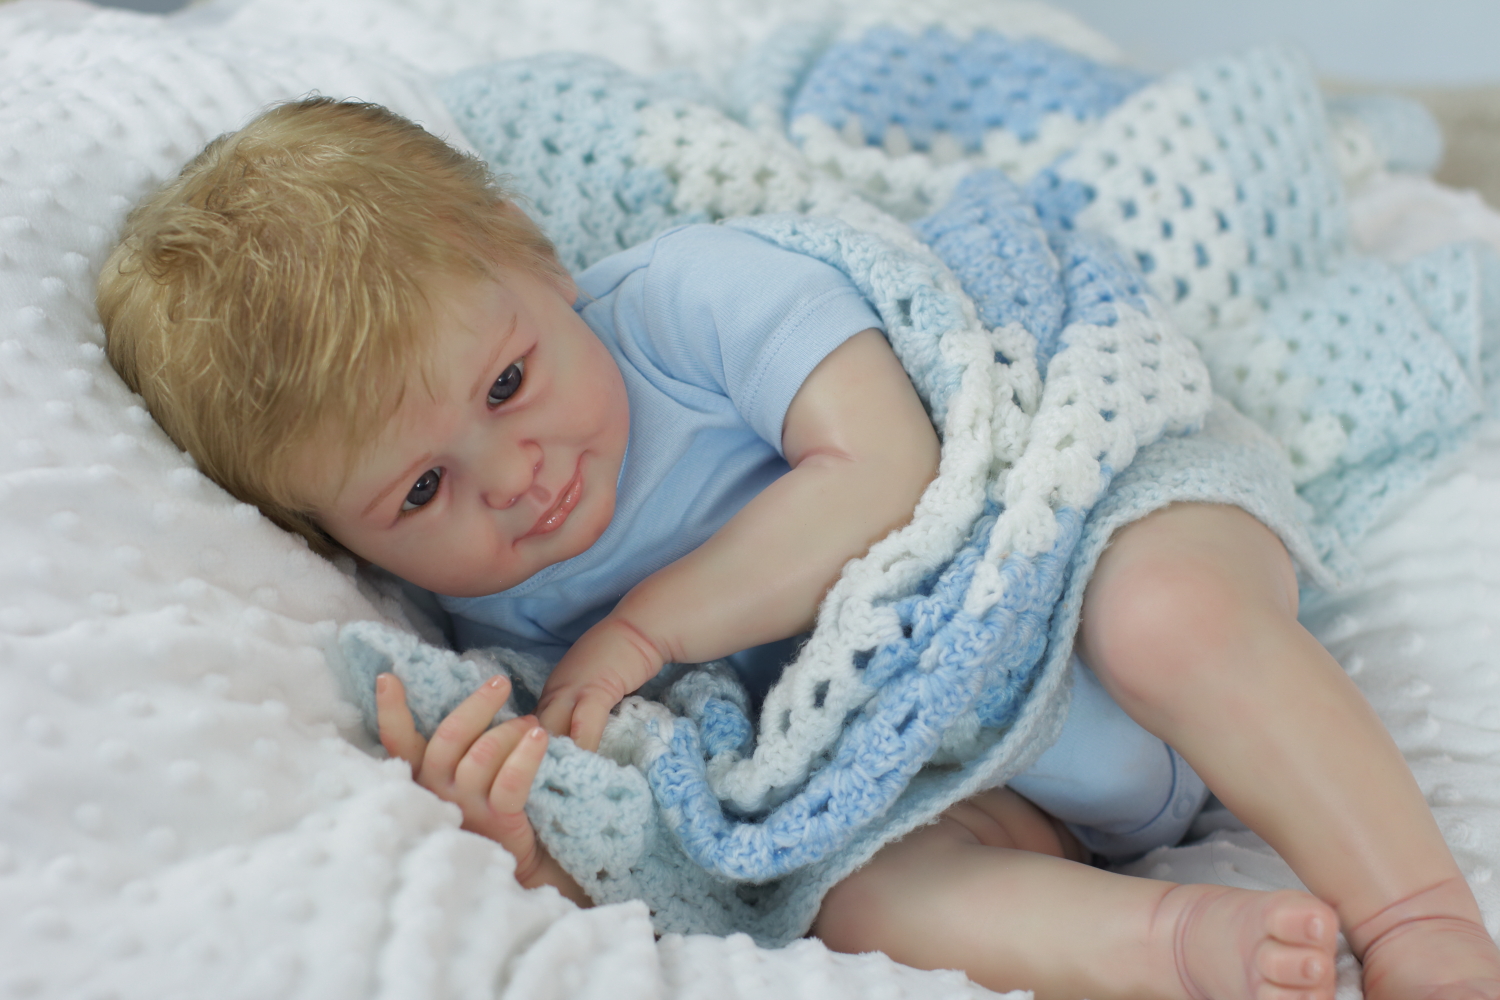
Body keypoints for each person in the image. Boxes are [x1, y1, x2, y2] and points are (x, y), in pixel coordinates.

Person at [97, 96, 1500, 1000]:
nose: (513, 481)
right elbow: (648, 826)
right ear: (331, 530)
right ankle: (1179, 948)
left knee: (1169, 615)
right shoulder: (474, 618)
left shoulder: (697, 306)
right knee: (844, 887)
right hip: (982, 773)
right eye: (417, 492)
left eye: (510, 383)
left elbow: (887, 467)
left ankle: (1422, 912)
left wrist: (652, 626)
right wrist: (523, 817)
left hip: (1073, 558)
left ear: (534, 259)